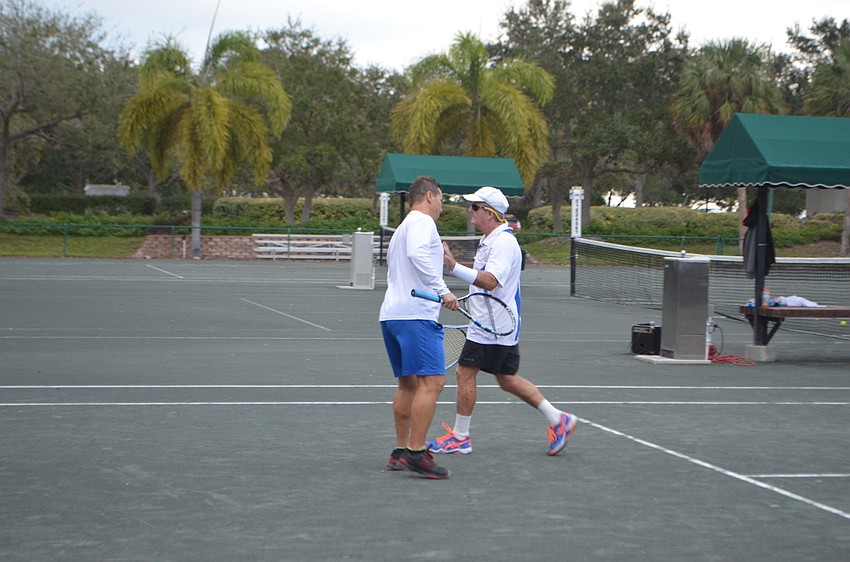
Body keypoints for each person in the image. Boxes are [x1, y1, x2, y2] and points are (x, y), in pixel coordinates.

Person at [426, 186, 577, 456]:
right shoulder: (491, 240)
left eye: (474, 207)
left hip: (494, 327)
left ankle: (461, 437)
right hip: (493, 324)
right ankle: (558, 418)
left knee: (464, 373)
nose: (469, 211)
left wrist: (453, 267)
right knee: (506, 379)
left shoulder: (503, 243)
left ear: (489, 212)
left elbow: (491, 281)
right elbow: (484, 281)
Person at [379, 176, 459, 479]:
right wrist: (442, 290)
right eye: (440, 198)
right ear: (428, 196)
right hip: (415, 316)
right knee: (433, 383)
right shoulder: (424, 223)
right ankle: (416, 453)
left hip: (392, 316)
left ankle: (400, 452)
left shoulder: (403, 228)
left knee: (408, 385)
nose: (441, 204)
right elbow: (417, 256)